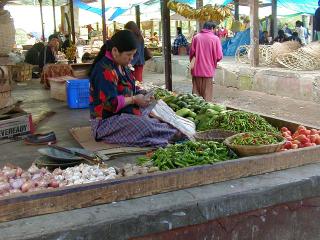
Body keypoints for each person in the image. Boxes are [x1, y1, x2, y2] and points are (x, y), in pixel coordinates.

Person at [89, 30, 181, 147]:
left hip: (125, 113)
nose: (131, 58)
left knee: (158, 108)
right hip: (106, 122)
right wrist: (134, 99)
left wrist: (143, 93)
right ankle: (175, 134)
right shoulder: (104, 70)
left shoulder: (122, 65)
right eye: (128, 55)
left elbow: (131, 86)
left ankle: (174, 130)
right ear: (115, 51)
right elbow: (111, 104)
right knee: (146, 126)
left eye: (133, 54)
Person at [189, 21, 223, 102]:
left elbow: (191, 53)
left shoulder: (196, 37)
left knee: (195, 96)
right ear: (212, 28)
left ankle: (194, 113)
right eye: (215, 29)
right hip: (208, 71)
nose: (215, 31)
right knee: (207, 97)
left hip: (196, 71)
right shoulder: (215, 39)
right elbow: (219, 56)